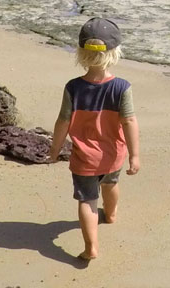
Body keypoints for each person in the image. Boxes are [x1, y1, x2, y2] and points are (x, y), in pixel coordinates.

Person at [47, 18, 141, 261]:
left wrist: (55, 150)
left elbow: (63, 122)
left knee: (87, 200)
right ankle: (111, 214)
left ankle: (91, 247)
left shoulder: (73, 88)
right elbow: (129, 122)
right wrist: (134, 155)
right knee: (110, 184)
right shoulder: (122, 87)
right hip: (113, 155)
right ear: (116, 52)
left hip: (84, 159)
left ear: (80, 53)